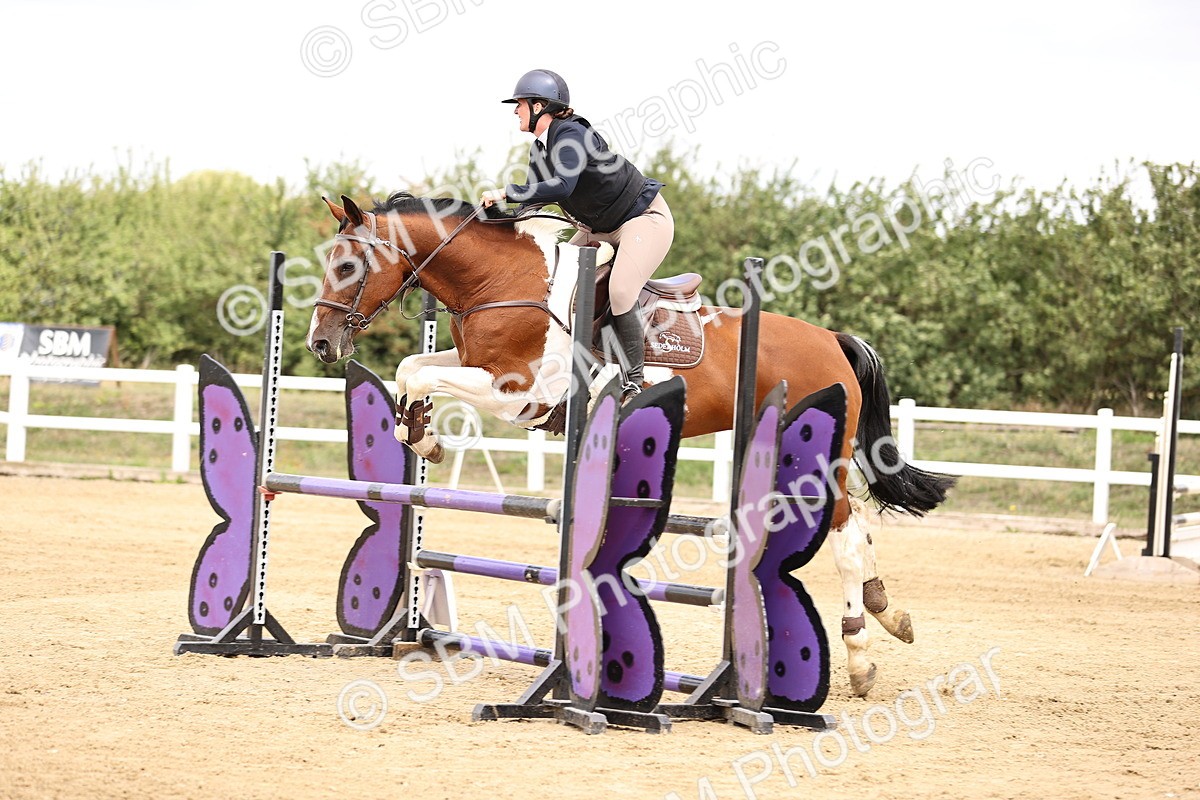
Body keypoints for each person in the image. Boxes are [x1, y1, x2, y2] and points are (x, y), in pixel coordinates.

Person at [481, 69, 674, 400]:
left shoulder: (571, 134)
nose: (515, 111)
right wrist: (497, 224)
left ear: (539, 106)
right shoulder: (540, 149)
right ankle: (576, 366)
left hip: (642, 219)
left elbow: (562, 187)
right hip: (597, 229)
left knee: (621, 291)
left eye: (520, 104)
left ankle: (634, 382)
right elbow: (533, 203)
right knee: (555, 281)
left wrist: (506, 191)